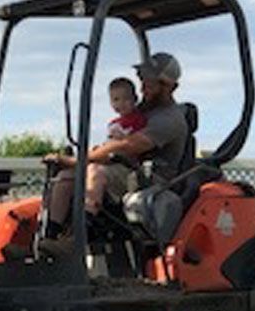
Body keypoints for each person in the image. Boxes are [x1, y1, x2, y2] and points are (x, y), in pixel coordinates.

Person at [41, 52, 188, 251]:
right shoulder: (142, 110)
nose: (143, 88)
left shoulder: (170, 119)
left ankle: (78, 239)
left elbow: (128, 145)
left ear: (169, 86)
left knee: (94, 172)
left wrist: (79, 160)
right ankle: (49, 237)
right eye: (142, 81)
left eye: (150, 83)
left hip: (150, 181)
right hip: (125, 169)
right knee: (66, 176)